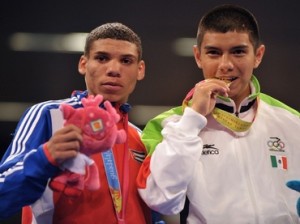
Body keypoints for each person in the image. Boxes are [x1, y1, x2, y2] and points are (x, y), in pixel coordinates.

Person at [137, 4, 300, 224]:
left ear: (258, 55)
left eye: (238, 52)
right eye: (214, 53)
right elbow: (161, 200)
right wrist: (192, 119)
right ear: (198, 56)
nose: (226, 65)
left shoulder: (292, 121)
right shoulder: (168, 125)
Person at [0, 22, 152, 224]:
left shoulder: (140, 138)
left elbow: (150, 212)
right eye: (102, 58)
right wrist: (46, 157)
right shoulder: (50, 115)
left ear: (140, 70)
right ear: (83, 64)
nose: (114, 69)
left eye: (126, 60)